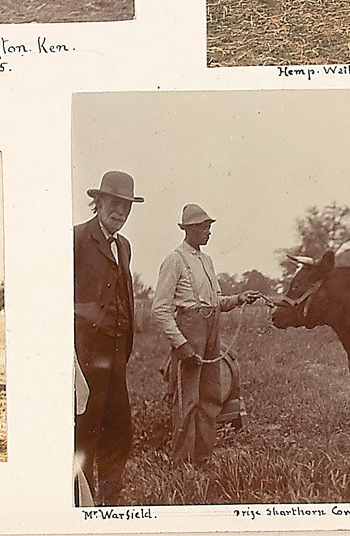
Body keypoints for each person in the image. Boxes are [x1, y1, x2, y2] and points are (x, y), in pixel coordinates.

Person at [152, 205, 259, 465]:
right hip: (189, 331)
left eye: (209, 226)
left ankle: (202, 459)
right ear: (188, 229)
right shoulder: (174, 260)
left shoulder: (207, 261)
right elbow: (160, 309)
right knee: (187, 401)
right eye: (202, 227)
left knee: (210, 397)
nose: (208, 231)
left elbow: (216, 301)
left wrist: (239, 299)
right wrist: (182, 344)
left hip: (212, 329)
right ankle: (181, 463)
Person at [73, 170, 142, 505]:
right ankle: (83, 508)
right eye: (115, 203)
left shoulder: (124, 246)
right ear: (98, 201)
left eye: (127, 206)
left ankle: (110, 504)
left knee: (118, 431)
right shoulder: (76, 239)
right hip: (85, 355)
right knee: (85, 432)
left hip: (116, 355)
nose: (121, 212)